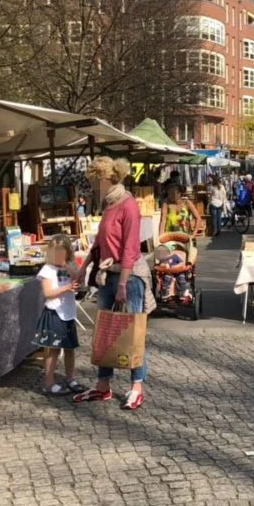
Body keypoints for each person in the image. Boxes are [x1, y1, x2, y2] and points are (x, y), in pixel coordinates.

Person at [74, 156, 156, 410]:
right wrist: (84, 268)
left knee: (132, 332)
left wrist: (122, 283)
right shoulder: (108, 205)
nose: (92, 185)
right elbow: (99, 243)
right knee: (105, 333)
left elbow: (131, 247)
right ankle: (103, 385)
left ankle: (136, 386)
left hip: (128, 277)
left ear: (106, 179)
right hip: (108, 275)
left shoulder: (128, 204)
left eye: (94, 180)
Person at [34, 233, 83, 396]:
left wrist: (68, 267)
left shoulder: (68, 266)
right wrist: (66, 288)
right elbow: (47, 293)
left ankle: (70, 378)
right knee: (53, 349)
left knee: (70, 348)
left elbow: (78, 279)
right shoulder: (47, 270)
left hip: (68, 312)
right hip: (54, 312)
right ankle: (48, 383)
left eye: (61, 253)